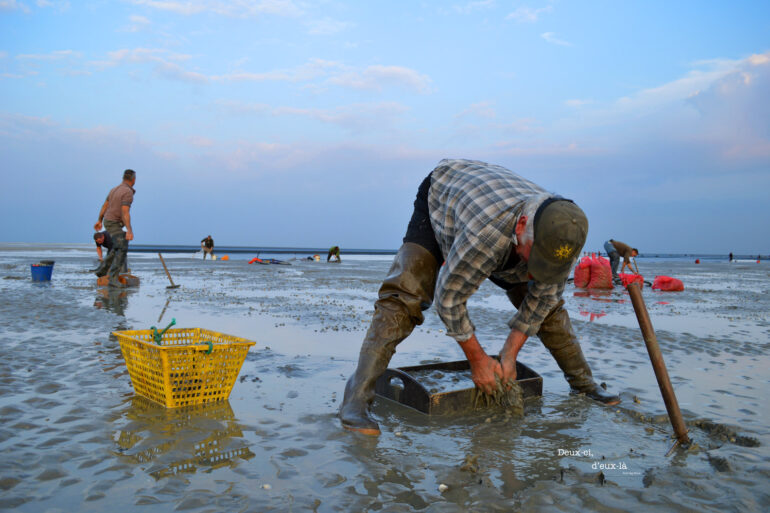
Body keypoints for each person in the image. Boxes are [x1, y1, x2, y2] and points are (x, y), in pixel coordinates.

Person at [340, 159, 621, 436]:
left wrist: (509, 355)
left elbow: (542, 302)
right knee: (404, 296)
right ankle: (356, 399)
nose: (537, 271)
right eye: (534, 257)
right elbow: (449, 298)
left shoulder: (562, 236)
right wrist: (478, 361)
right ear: (522, 226)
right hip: (443, 199)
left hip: (496, 222)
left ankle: (584, 383)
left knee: (549, 309)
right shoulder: (486, 234)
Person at [94, 169, 136, 288]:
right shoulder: (127, 192)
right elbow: (125, 212)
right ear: (133, 180)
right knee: (122, 248)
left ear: (123, 178)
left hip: (108, 221)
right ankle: (113, 278)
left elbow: (105, 205)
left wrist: (99, 220)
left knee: (118, 246)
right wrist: (129, 230)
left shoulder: (114, 189)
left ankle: (102, 270)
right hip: (114, 223)